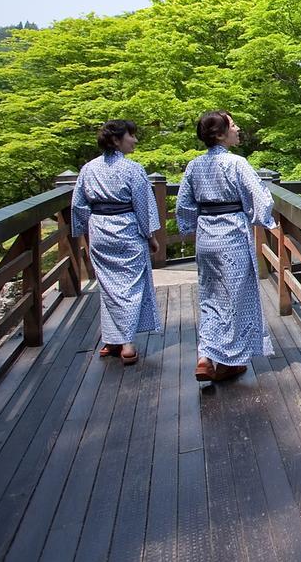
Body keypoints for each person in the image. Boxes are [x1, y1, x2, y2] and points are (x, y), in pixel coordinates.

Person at [176, 111, 275, 382]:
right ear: (220, 134)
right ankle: (229, 360)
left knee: (210, 296)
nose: (238, 128)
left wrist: (189, 227)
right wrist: (264, 216)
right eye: (232, 125)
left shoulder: (194, 165)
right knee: (236, 298)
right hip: (232, 236)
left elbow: (184, 204)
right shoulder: (237, 163)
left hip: (206, 235)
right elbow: (259, 200)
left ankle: (205, 355)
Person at [70, 119, 161, 366]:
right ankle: (128, 344)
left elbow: (79, 205)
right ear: (115, 140)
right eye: (131, 135)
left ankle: (111, 340)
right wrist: (151, 236)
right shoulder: (133, 169)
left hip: (99, 230)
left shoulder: (88, 169)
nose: (135, 140)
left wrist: (83, 233)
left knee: (109, 287)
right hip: (128, 230)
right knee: (130, 288)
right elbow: (143, 206)